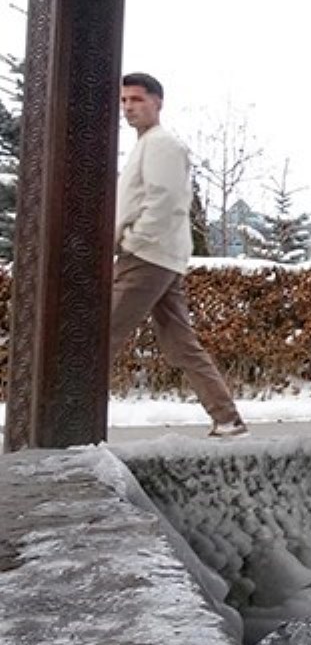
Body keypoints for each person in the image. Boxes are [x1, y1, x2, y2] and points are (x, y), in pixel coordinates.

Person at [111, 72, 247, 437]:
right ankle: (227, 419)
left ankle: (70, 422)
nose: (128, 107)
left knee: (99, 333)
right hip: (157, 255)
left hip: (147, 256)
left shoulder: (161, 144)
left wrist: (133, 242)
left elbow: (165, 201)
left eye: (136, 100)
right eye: (124, 101)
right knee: (180, 343)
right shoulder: (147, 145)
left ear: (157, 102)